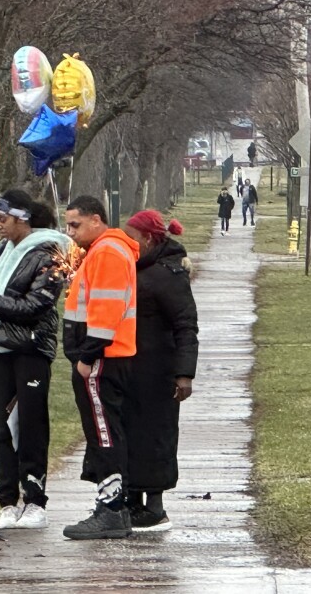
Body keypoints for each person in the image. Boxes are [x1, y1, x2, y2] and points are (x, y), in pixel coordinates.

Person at [0, 190, 70, 530]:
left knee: (31, 424)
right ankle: (7, 500)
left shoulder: (50, 256)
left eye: (3, 219)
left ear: (22, 219)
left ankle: (35, 499)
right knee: (2, 425)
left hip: (30, 350)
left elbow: (35, 306)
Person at [61, 195, 139, 540]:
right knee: (107, 431)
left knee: (104, 433)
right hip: (109, 356)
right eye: (67, 225)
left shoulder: (107, 252)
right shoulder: (104, 251)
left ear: (97, 219)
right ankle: (113, 505)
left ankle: (111, 508)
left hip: (103, 359)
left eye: (75, 224)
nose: (70, 232)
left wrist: (87, 356)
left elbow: (106, 311)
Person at [122, 210, 199, 532]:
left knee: (155, 436)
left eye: (132, 238)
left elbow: (185, 326)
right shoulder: (139, 269)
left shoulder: (167, 275)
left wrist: (184, 374)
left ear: (149, 239)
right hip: (131, 368)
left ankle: (154, 507)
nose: (127, 243)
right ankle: (131, 501)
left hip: (158, 371)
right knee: (131, 435)